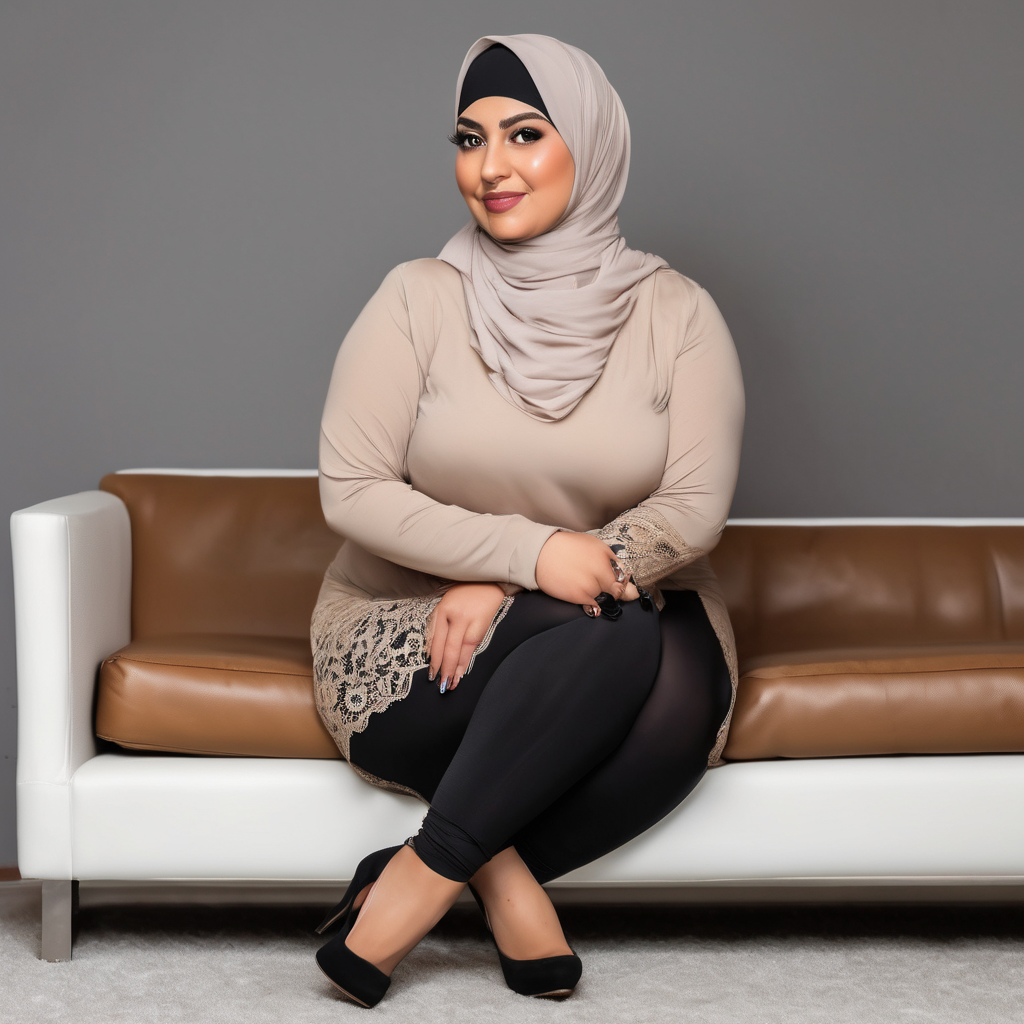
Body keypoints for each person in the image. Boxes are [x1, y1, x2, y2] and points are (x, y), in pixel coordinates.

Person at [310, 33, 745, 1007]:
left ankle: (417, 876)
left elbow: (692, 506)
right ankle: (491, 870)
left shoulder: (676, 314)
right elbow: (354, 488)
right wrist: (524, 555)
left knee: (638, 649)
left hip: (632, 603)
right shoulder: (416, 299)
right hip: (411, 619)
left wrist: (545, 573)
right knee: (609, 634)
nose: (490, 167)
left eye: (523, 133)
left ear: (588, 147)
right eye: (469, 139)